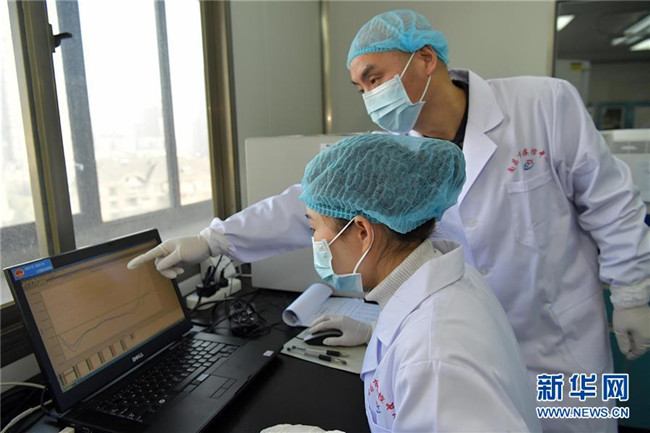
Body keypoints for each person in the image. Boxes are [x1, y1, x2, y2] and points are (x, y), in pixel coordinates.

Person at [128, 9, 650, 432]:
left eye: (374, 77)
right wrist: (214, 239)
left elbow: (611, 200)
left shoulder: (544, 103)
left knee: (585, 427)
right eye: (360, 87)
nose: (368, 95)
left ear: (425, 59)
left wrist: (632, 293)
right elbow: (312, 203)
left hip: (562, 341)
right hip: (462, 332)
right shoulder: (398, 150)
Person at [303, 134, 540, 431]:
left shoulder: (435, 359)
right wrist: (372, 332)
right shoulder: (451, 279)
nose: (314, 241)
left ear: (362, 232)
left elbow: (432, 357)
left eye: (313, 228)